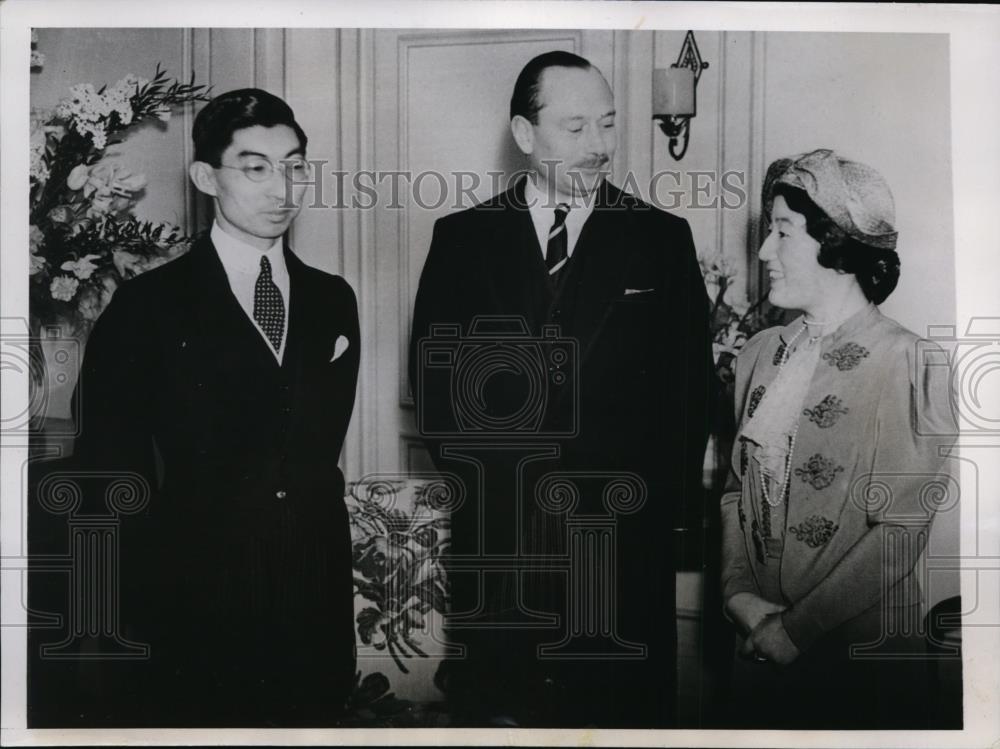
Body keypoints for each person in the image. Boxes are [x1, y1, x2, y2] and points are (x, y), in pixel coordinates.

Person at [409, 51, 713, 727]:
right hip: (502, 557)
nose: (599, 146)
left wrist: (648, 517)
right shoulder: (461, 240)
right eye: (575, 128)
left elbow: (690, 399)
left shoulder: (662, 240)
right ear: (525, 134)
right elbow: (436, 402)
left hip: (620, 554)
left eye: (607, 125)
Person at [42, 89, 361, 727]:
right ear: (205, 177)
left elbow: (311, 451)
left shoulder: (333, 299)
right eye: (256, 166)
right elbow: (113, 469)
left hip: (312, 592)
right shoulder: (146, 307)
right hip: (193, 600)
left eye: (295, 165)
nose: (283, 188)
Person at [719, 149, 959, 728]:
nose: (764, 252)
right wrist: (738, 596)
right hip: (755, 648)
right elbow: (733, 492)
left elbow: (902, 530)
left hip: (856, 661)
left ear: (836, 245)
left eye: (782, 232)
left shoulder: (910, 362)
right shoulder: (758, 355)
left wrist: (795, 631)